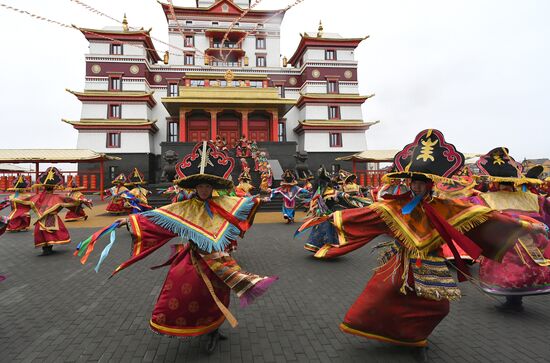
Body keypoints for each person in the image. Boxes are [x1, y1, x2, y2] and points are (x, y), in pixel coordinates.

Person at [298, 129, 545, 352]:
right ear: (408, 182)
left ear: (429, 185)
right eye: (413, 182)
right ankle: (401, 335)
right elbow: (366, 215)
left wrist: (525, 224)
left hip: (431, 262)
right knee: (381, 297)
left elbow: (483, 216)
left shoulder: (444, 206)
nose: (416, 187)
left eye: (420, 183)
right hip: (402, 262)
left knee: (438, 307)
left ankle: (412, 334)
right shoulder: (395, 206)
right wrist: (333, 217)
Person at [77, 141, 276, 353]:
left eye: (208, 186)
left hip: (219, 259)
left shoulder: (224, 204)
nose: (204, 189)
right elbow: (159, 216)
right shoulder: (185, 207)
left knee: (219, 295)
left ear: (212, 187)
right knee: (188, 292)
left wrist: (259, 200)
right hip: (194, 259)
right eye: (200, 186)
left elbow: (244, 204)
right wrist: (130, 221)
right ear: (195, 187)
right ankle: (196, 327)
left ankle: (214, 329)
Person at [469, 147, 550, 312]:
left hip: (506, 240)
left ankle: (513, 301)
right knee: (520, 269)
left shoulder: (486, 198)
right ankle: (515, 300)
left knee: (510, 269)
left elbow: (471, 210)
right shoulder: (532, 198)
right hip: (527, 239)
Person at [10, 167, 89, 255]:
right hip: (52, 217)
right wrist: (82, 201)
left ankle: (46, 248)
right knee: (52, 233)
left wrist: (14, 199)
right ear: (54, 187)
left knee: (42, 233)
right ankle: (48, 247)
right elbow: (70, 200)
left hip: (41, 219)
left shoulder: (38, 196)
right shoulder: (57, 197)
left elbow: (26, 200)